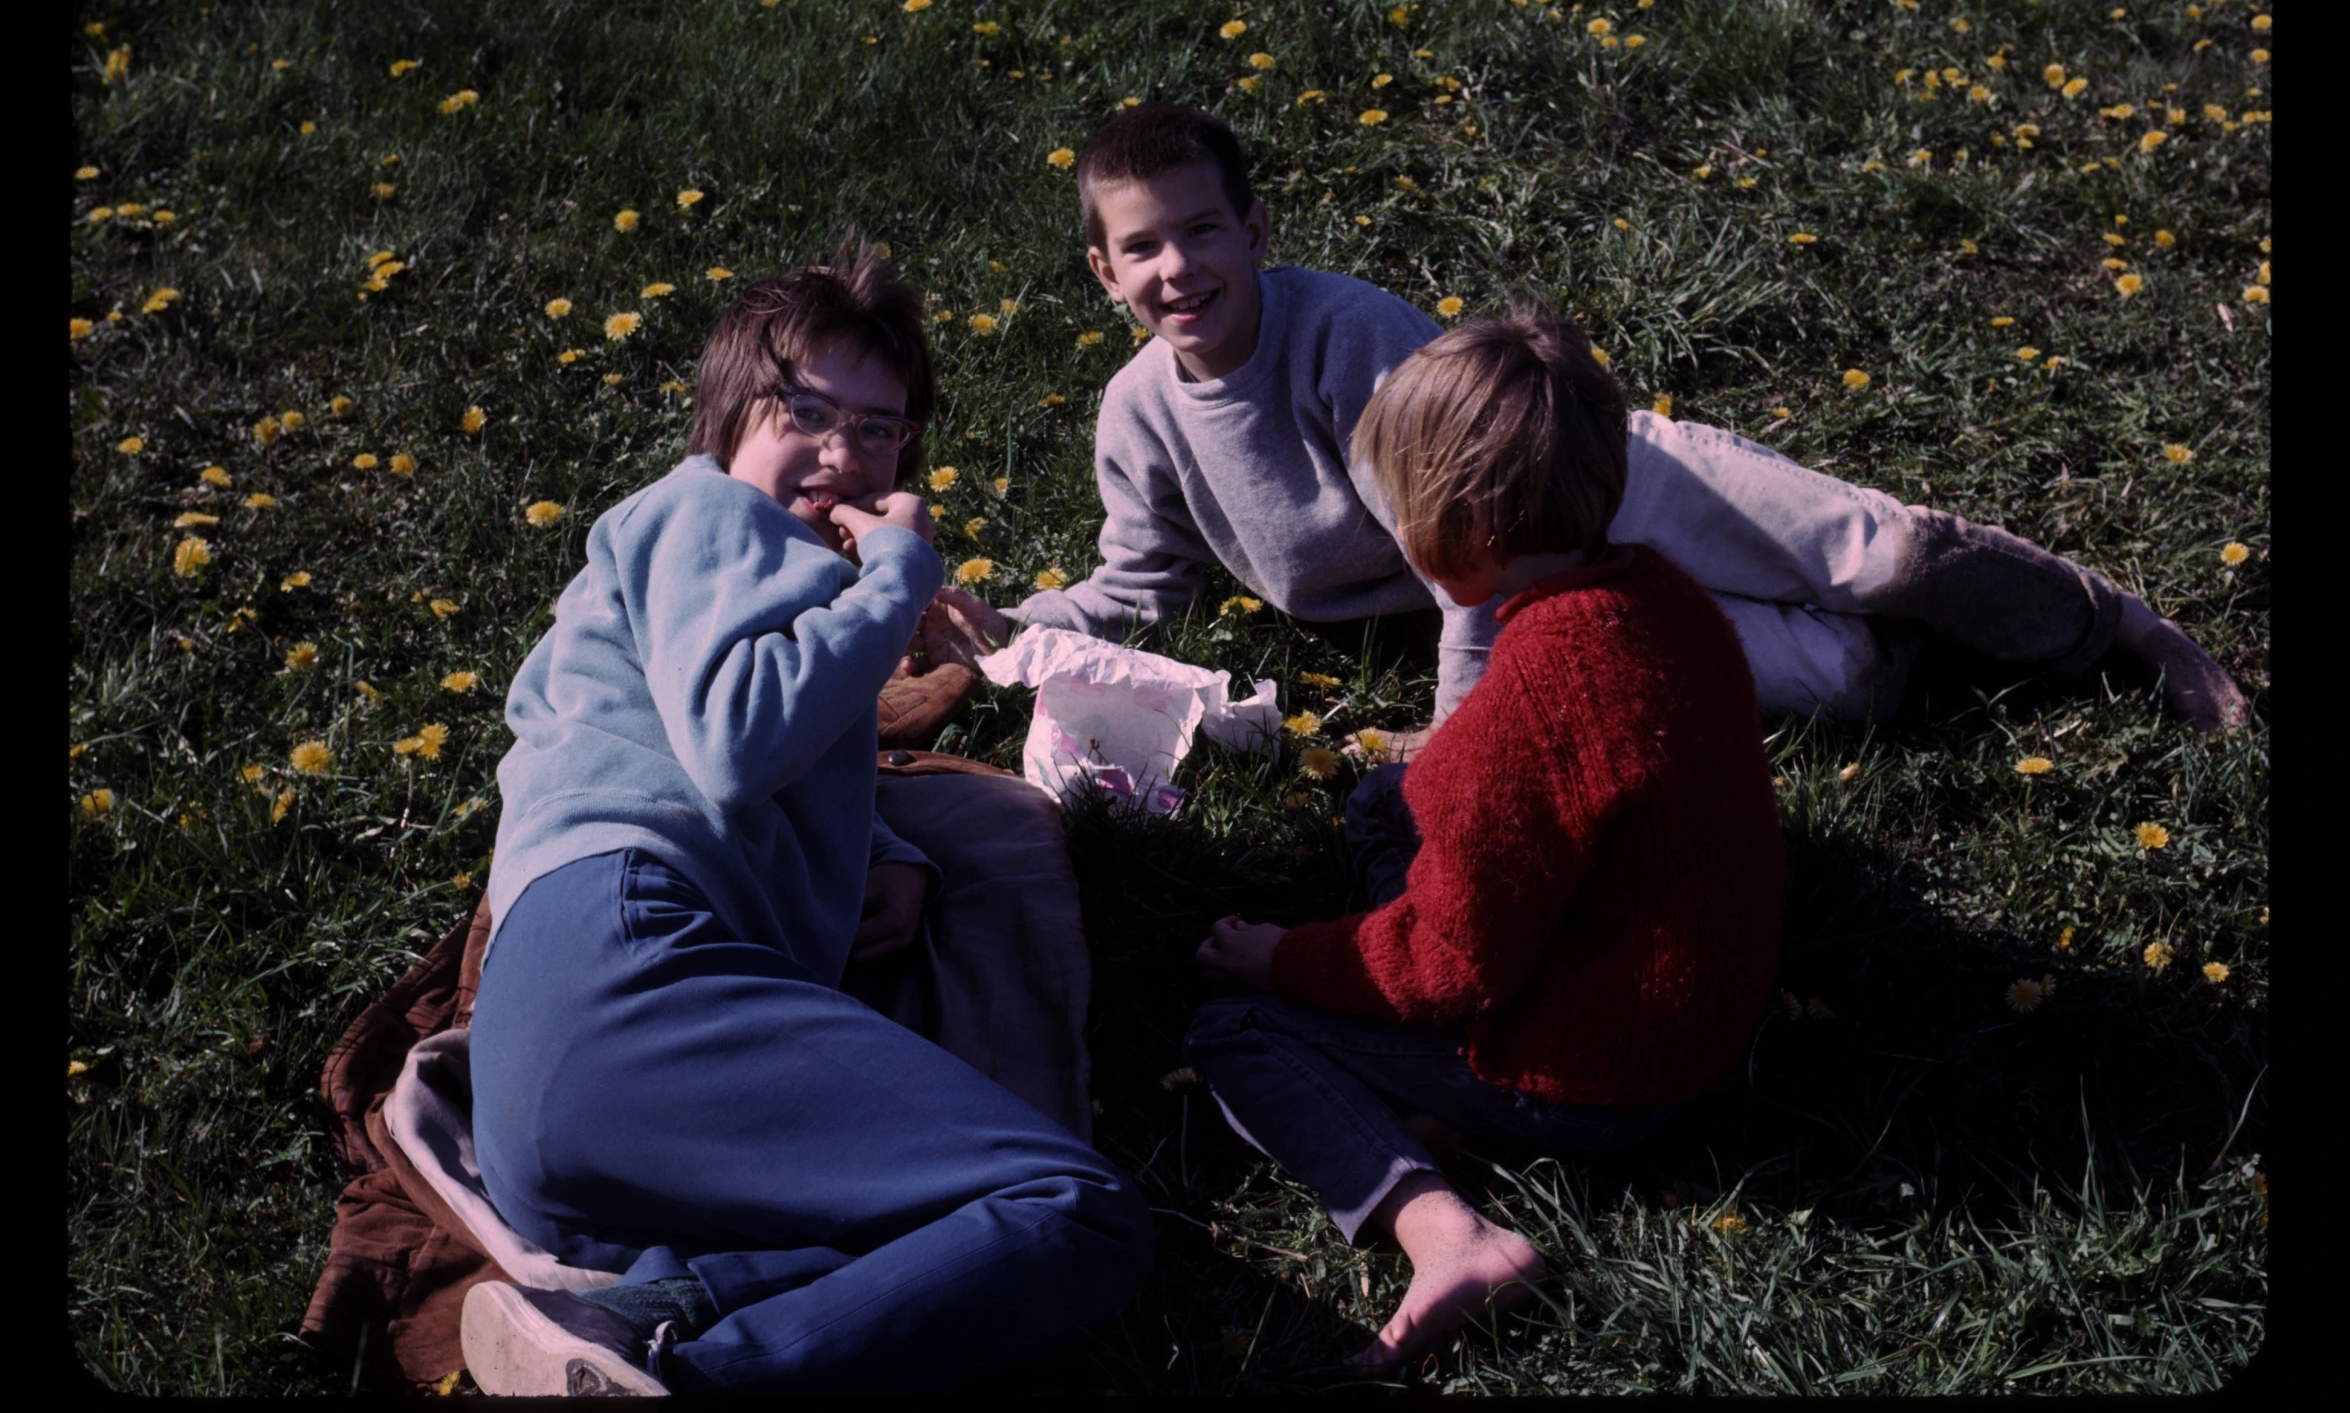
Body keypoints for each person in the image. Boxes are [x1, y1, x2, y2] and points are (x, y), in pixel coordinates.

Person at [916, 103, 2247, 742]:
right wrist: (1004, 628)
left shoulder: (1343, 339)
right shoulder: (1138, 412)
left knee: (1878, 557)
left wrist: (1456, 736)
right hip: (1515, 590)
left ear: (1254, 229)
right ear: (1103, 274)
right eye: (1141, 247)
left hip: (1598, 489)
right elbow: (1144, 581)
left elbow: (1461, 546)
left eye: (1202, 229)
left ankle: (2116, 622)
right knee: (1842, 682)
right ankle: (1932, 664)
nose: (1176, 269)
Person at [458, 237, 1153, 1397]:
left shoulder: (718, 577)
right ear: (731, 418)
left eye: (878, 431)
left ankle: (635, 1329)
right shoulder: (711, 512)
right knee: (1072, 1207)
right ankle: (711, 1381)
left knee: (913, 1235)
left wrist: (875, 848)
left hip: (555, 1105)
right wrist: (900, 577)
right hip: (631, 964)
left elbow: (722, 735)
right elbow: (737, 741)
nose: (841, 455)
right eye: (806, 413)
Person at [1186, 307, 1784, 1370]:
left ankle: (1451, 1234)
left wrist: (1280, 955)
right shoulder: (1664, 596)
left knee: (1235, 1028)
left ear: (1458, 530)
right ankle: (1437, 1106)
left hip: (1599, 1070)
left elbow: (1446, 971)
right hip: (1687, 1004)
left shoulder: (1517, 725)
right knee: (1385, 801)